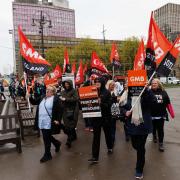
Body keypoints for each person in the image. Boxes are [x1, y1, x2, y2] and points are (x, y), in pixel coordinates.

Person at [120, 84, 156, 179]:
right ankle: (141, 153)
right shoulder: (127, 94)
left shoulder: (146, 93)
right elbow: (122, 107)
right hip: (132, 126)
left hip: (143, 126)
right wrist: (125, 112)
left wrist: (147, 89)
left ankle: (139, 169)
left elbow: (153, 101)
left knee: (140, 148)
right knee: (135, 145)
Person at [30, 85, 63, 163]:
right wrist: (30, 96)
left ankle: (47, 155)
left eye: (50, 90)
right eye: (47, 89)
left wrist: (58, 119)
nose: (47, 91)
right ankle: (57, 143)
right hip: (41, 120)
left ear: (53, 92)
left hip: (49, 121)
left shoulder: (55, 99)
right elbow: (34, 102)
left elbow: (60, 109)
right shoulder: (43, 97)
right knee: (47, 136)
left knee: (45, 137)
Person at [88, 77, 113, 164]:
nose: (97, 84)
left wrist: (101, 103)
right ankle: (95, 157)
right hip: (96, 118)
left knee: (107, 134)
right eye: (96, 82)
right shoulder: (92, 91)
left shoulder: (107, 92)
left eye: (99, 82)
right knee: (96, 137)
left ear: (102, 83)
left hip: (105, 118)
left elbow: (109, 105)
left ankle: (110, 146)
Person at [150, 78, 171, 152]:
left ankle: (161, 143)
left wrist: (171, 112)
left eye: (155, 83)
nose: (153, 84)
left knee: (160, 129)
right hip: (151, 115)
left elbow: (168, 103)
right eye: (152, 83)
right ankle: (154, 136)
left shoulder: (163, 92)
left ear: (158, 84)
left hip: (161, 114)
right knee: (153, 127)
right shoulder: (149, 92)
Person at [60, 80, 79, 148]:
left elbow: (76, 99)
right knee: (67, 125)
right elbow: (61, 99)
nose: (66, 85)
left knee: (71, 125)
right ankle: (74, 136)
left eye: (68, 84)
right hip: (65, 110)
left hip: (73, 110)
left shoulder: (74, 91)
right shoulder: (62, 92)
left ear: (70, 84)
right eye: (65, 84)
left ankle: (69, 140)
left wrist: (66, 99)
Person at [106, 80, 120, 146]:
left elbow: (116, 103)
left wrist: (117, 114)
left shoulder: (115, 92)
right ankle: (109, 140)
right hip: (107, 112)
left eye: (114, 85)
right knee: (108, 127)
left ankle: (112, 140)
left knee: (113, 127)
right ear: (108, 85)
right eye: (112, 85)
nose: (113, 86)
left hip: (113, 112)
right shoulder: (106, 92)